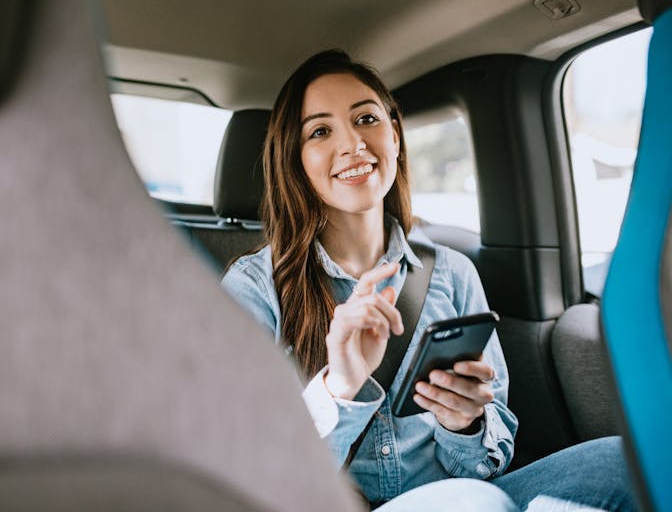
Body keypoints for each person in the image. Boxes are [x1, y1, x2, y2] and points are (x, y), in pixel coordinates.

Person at [222, 49, 634, 511]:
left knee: (622, 463)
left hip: (452, 498)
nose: (353, 144)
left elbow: (490, 459)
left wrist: (467, 425)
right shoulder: (254, 290)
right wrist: (338, 387)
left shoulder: (453, 274)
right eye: (320, 131)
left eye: (366, 119)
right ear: (295, 160)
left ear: (394, 136)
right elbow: (242, 467)